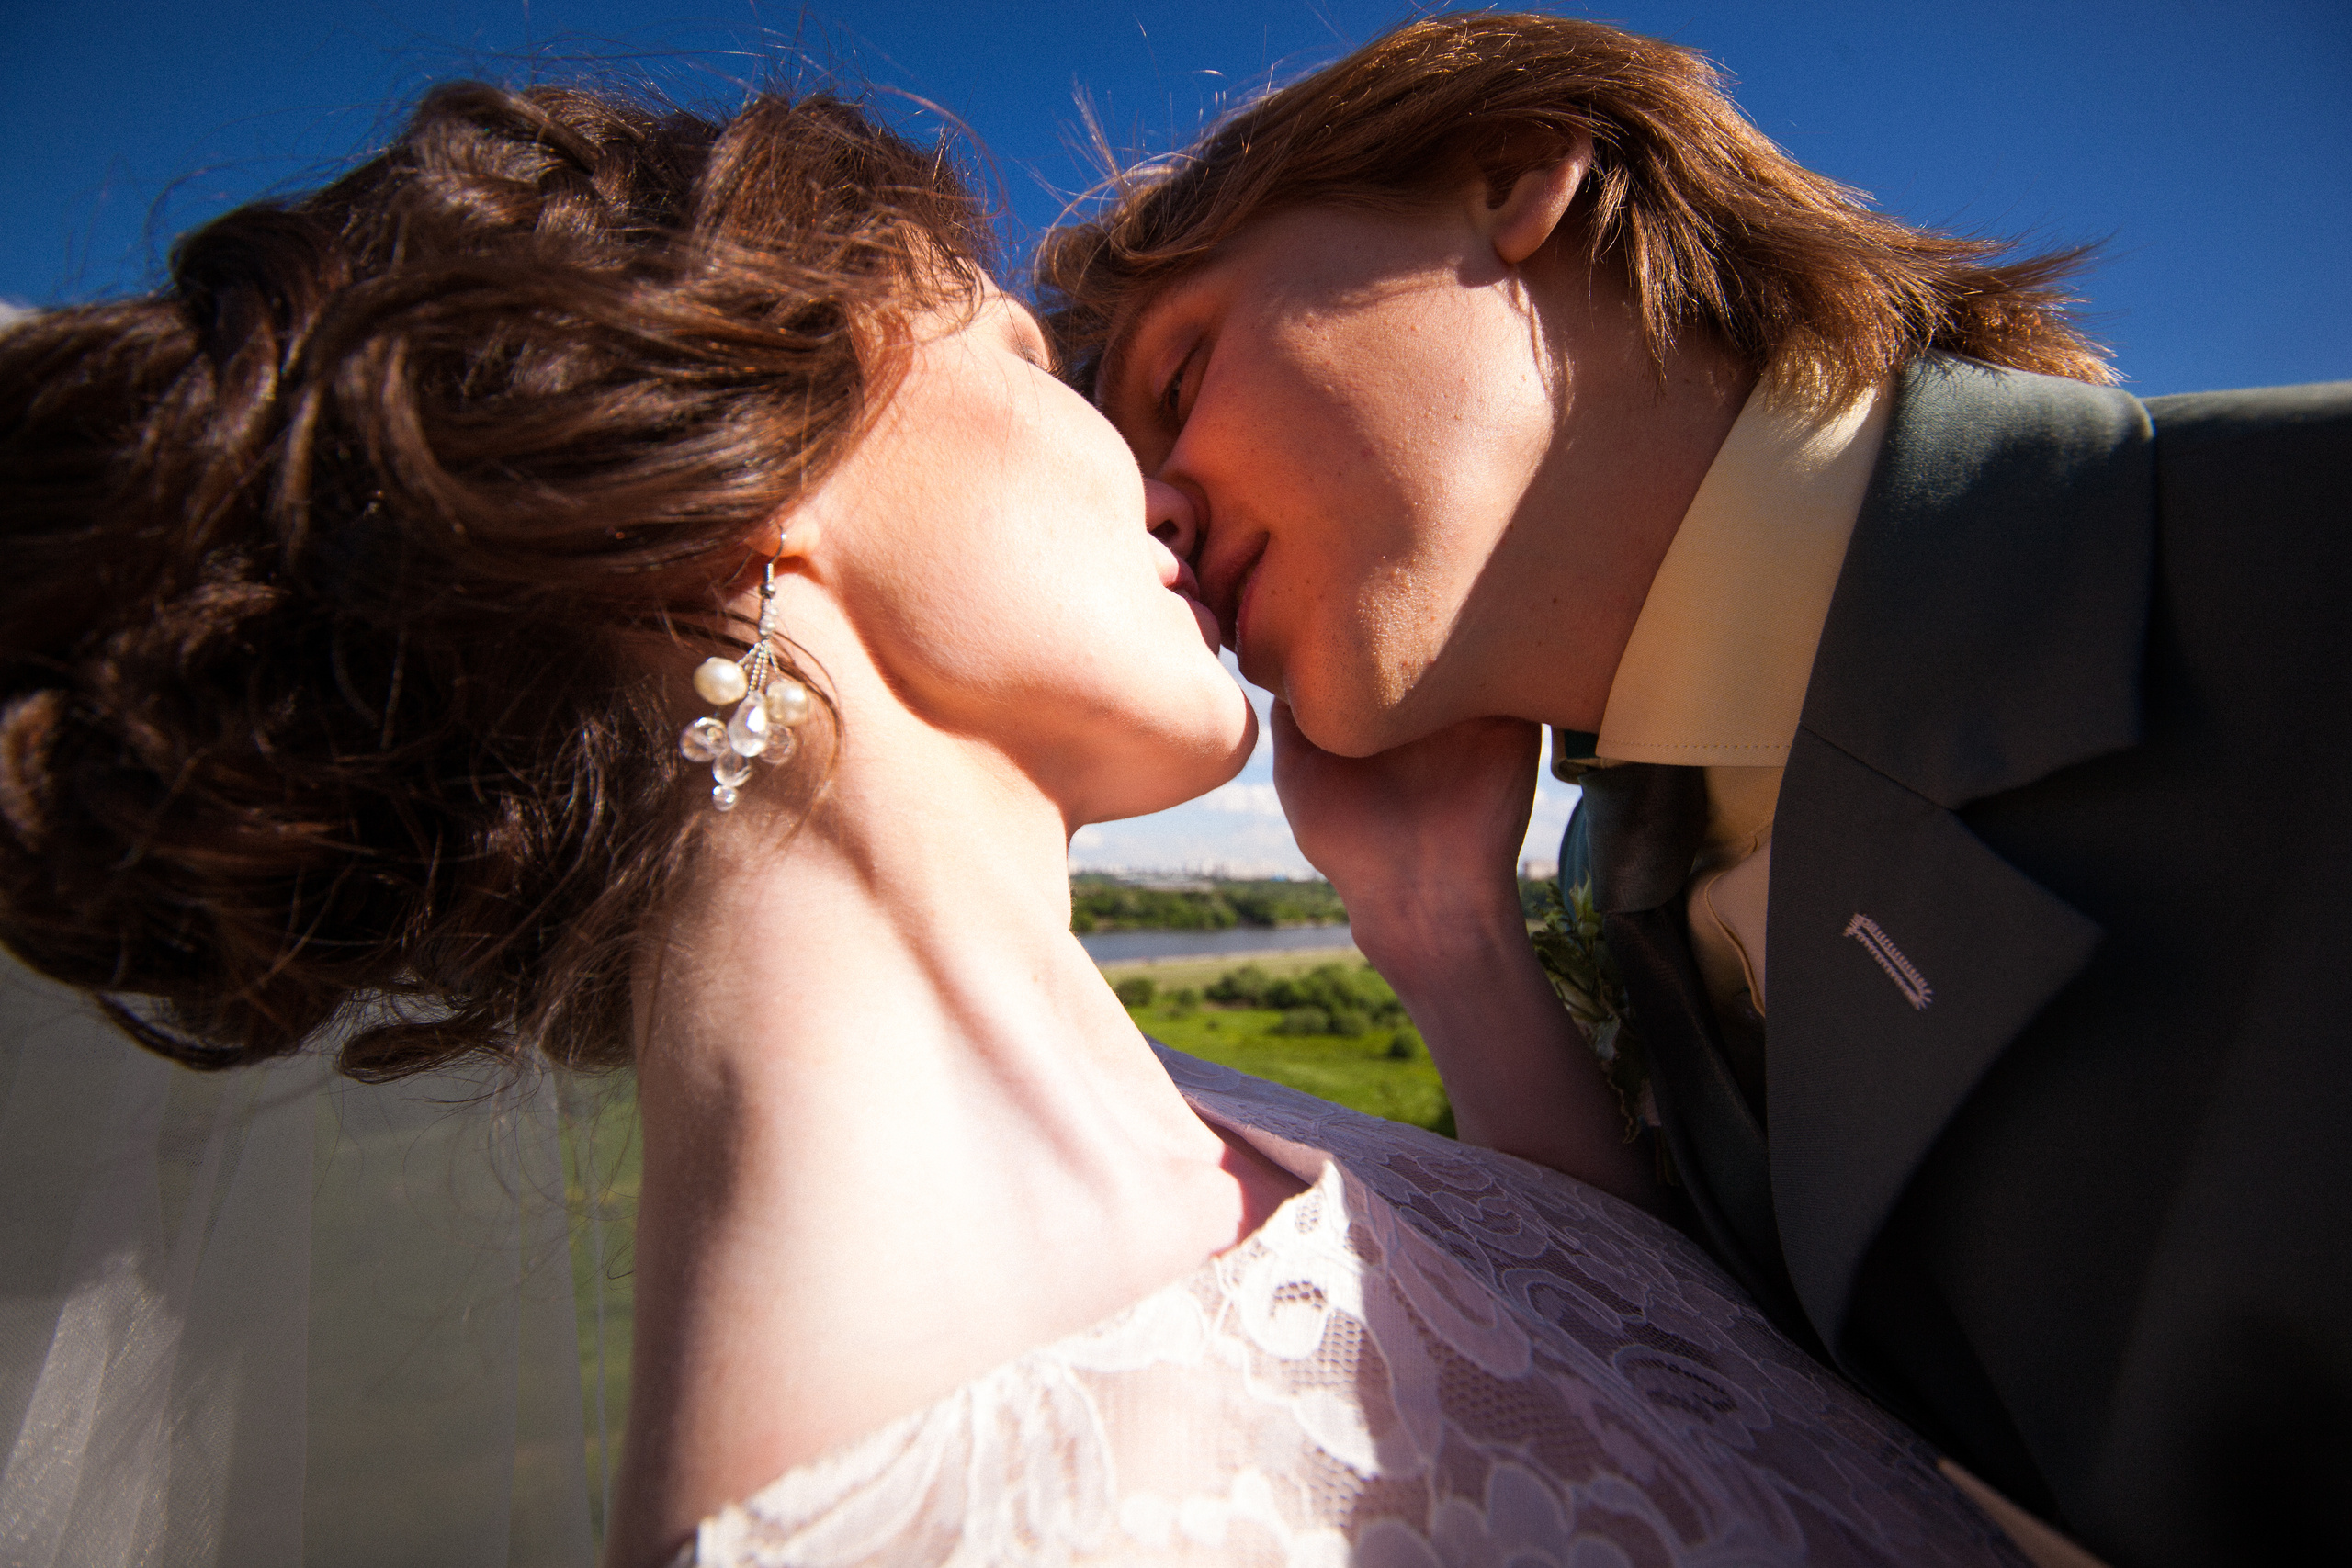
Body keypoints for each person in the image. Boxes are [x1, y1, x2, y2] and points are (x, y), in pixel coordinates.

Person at [0, 76, 2044, 1568]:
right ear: (738, 481)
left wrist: (1440, 927)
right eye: (1013, 349)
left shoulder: (1246, 1116)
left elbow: (1684, 1357)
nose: (1153, 483)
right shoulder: (901, 1513)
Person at [1040, 14, 2352, 1568]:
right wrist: (1442, 928)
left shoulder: (2304, 564)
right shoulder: (1629, 864)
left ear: (1520, 170)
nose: (1159, 527)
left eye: (1179, 383)